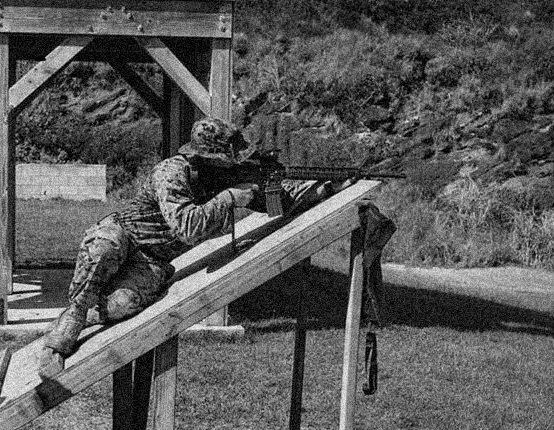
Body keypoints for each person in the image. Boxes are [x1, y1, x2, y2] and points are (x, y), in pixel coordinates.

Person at [39, 117, 343, 375]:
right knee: (104, 248)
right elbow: (187, 228)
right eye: (228, 162)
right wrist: (230, 197)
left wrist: (327, 187)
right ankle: (70, 323)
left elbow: (282, 198)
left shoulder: (229, 177)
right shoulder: (171, 172)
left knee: (124, 304)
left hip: (153, 260)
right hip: (124, 234)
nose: (236, 167)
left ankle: (94, 312)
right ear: (206, 159)